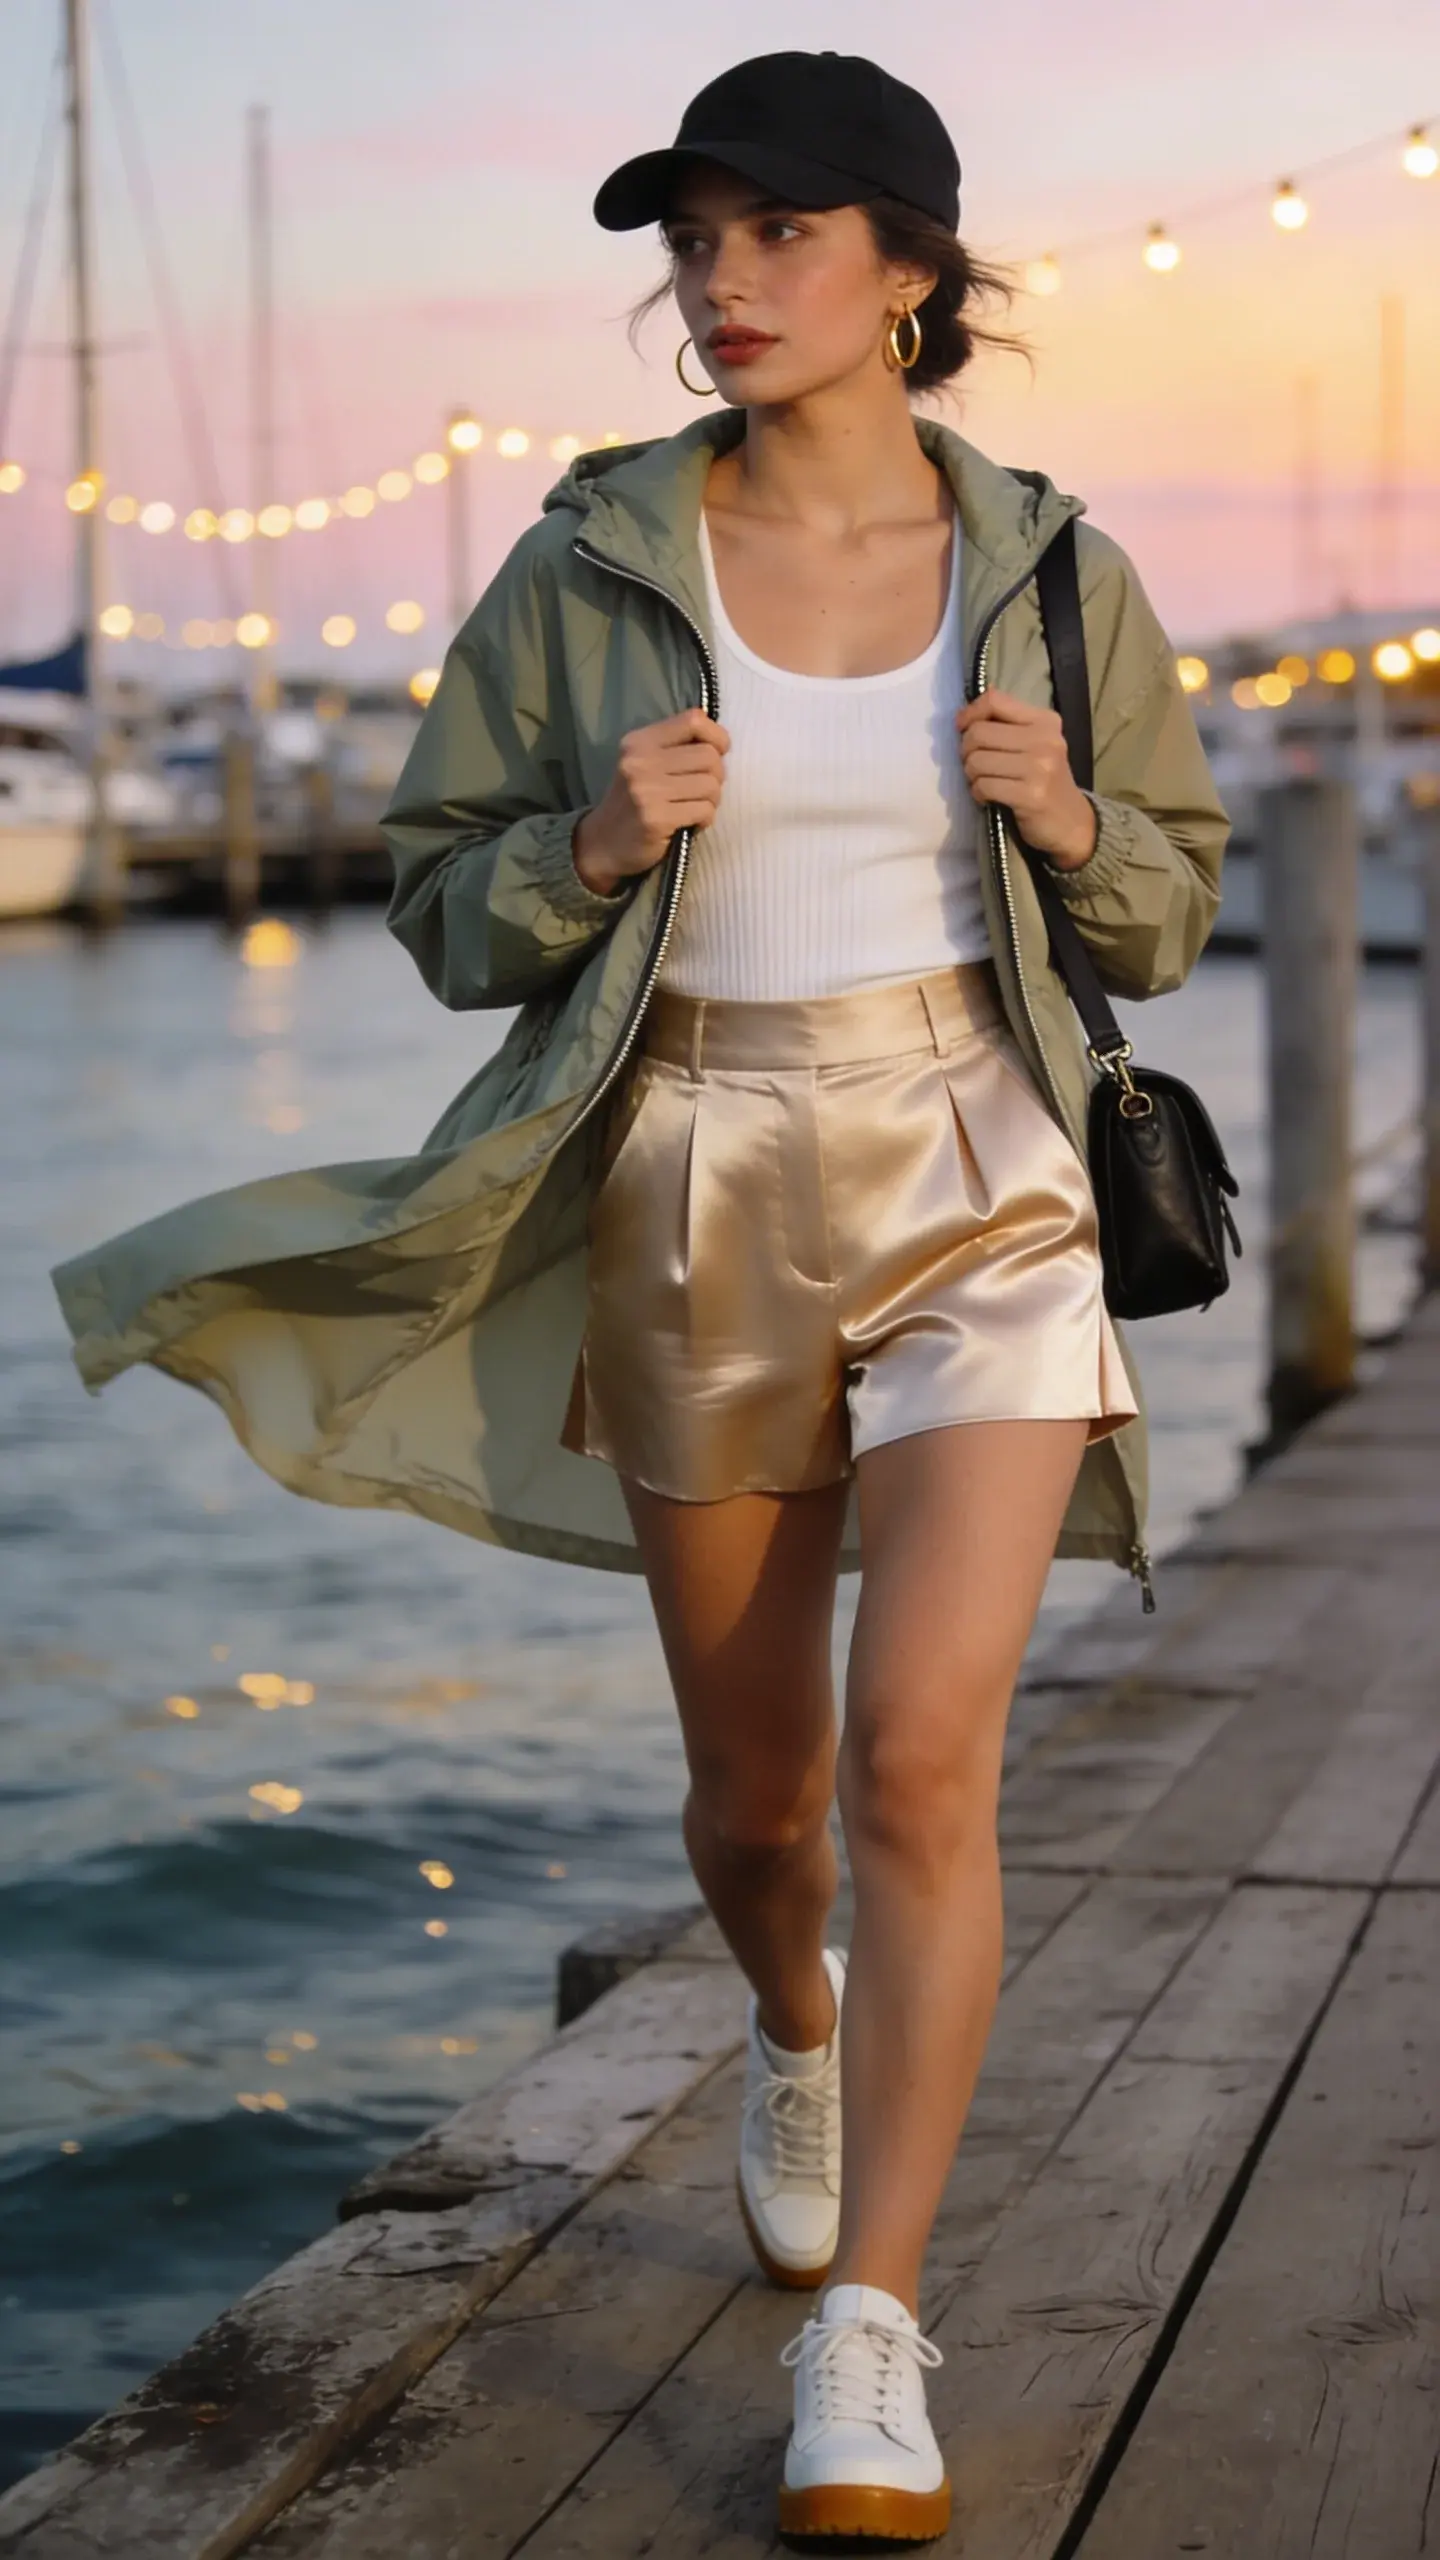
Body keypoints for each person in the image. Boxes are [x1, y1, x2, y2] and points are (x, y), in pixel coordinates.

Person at [48, 46, 1228, 2548]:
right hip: (696, 1164)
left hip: (987, 1169)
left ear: (911, 273)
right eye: (692, 239)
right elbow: (441, 892)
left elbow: (1165, 907)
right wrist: (579, 841)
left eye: (778, 233)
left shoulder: (1053, 570)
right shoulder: (591, 557)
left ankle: (868, 2327)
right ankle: (792, 2027)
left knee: (924, 1757)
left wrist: (1067, 809)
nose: (719, 281)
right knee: (761, 1795)